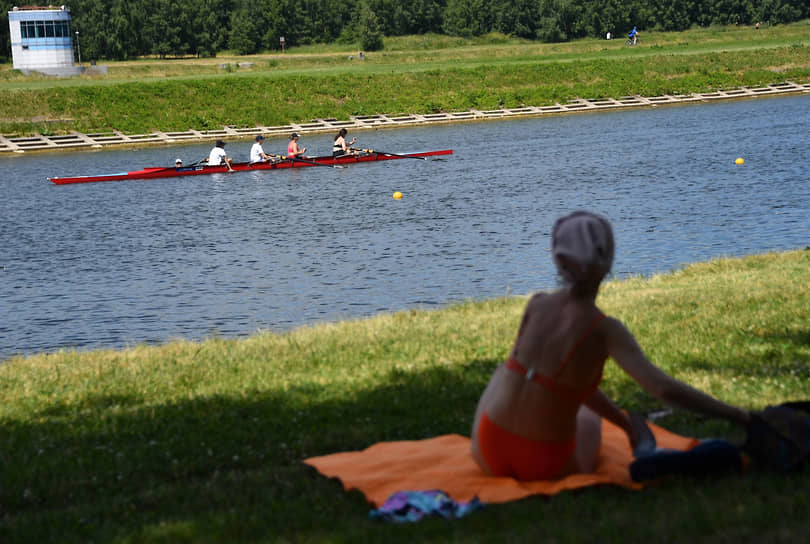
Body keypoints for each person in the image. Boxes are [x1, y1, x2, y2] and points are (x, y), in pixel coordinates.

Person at [470, 211, 750, 481]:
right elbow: (662, 388)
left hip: (488, 451)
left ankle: (632, 429)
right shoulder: (603, 328)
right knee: (588, 415)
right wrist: (738, 416)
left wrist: (626, 425)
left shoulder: (537, 304)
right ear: (606, 262)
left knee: (513, 371)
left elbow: (564, 385)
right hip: (543, 464)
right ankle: (645, 445)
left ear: (558, 259)